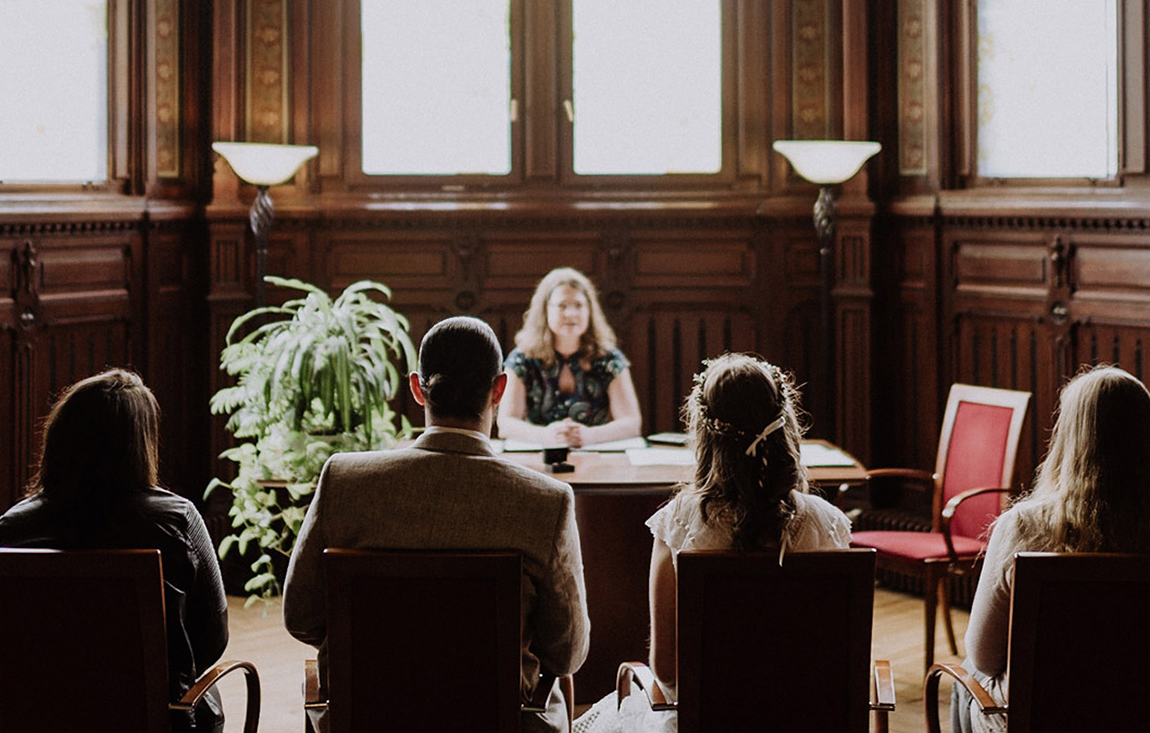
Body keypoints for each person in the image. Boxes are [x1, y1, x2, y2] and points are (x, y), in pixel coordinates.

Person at [283, 315, 589, 732]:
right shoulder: (545, 501)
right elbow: (567, 653)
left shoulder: (345, 480)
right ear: (499, 389)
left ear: (416, 388)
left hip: (370, 720)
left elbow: (300, 614)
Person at [573, 352, 850, 733]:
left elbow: (667, 672)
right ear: (784, 425)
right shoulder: (829, 524)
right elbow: (836, 660)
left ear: (703, 433)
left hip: (707, 721)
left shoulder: (679, 525)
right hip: (802, 720)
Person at [0, 368, 228, 732]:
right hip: (156, 721)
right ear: (141, 443)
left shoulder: (13, 527)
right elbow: (213, 636)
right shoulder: (177, 521)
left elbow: (0, 641)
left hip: (46, 718)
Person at [952, 364, 1150, 733]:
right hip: (1136, 713)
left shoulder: (1024, 526)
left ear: (1069, 438)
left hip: (1043, 717)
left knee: (966, 677)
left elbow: (985, 655)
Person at [498, 267, 642, 447]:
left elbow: (632, 423)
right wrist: (545, 435)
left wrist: (589, 436)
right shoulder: (522, 358)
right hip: (539, 459)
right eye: (562, 306)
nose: (571, 314)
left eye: (579, 306)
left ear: (590, 310)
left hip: (596, 458)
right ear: (545, 310)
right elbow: (505, 423)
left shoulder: (609, 358)